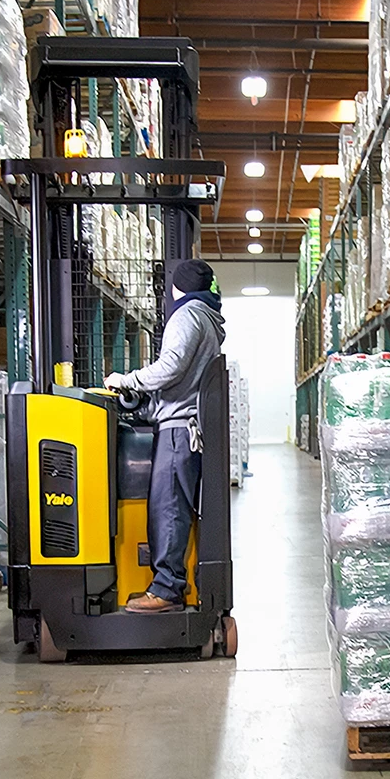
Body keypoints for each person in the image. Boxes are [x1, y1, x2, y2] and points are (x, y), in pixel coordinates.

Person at [103, 259, 227, 614]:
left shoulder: (187, 315)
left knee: (168, 509)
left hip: (177, 429)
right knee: (172, 509)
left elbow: (171, 367)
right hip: (182, 424)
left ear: (178, 287)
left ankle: (167, 589)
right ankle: (168, 584)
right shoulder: (207, 317)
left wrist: (127, 379)